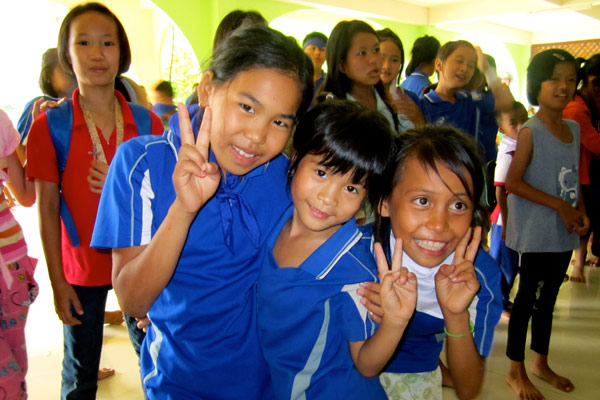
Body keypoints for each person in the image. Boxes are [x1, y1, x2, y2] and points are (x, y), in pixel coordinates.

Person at [90, 25, 314, 398]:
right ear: (208, 87)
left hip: (269, 383)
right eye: (247, 107)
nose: (258, 135)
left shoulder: (286, 178)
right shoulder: (142, 163)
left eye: (279, 122)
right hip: (178, 382)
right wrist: (184, 208)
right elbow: (132, 300)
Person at [26, 3, 163, 398]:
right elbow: (47, 211)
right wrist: (57, 281)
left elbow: (165, 202)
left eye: (108, 43)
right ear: (66, 54)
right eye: (83, 42)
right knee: (81, 374)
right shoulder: (49, 127)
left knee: (154, 359)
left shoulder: (147, 123)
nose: (97, 53)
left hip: (139, 262)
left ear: (122, 52)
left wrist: (121, 190)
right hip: (80, 269)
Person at [256, 99, 415, 399]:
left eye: (352, 188)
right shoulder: (275, 219)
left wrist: (395, 322)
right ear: (296, 159)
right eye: (321, 173)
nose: (329, 198)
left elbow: (366, 365)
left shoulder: (355, 269)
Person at [365, 125, 502, 399]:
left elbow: (468, 388)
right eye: (423, 200)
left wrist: (456, 315)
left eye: (458, 206)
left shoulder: (478, 277)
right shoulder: (355, 253)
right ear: (384, 203)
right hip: (345, 369)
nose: (439, 225)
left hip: (417, 372)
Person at [505, 49, 588, 400]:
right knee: (526, 299)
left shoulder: (573, 128)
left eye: (571, 79)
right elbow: (513, 183)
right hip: (537, 231)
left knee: (549, 299)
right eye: (555, 78)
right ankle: (515, 369)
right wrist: (559, 207)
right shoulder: (531, 131)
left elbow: (573, 179)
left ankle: (540, 361)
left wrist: (579, 210)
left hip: (561, 231)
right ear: (537, 84)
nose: (564, 86)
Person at [0, 110, 37, 398]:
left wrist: (37, 135)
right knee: (8, 383)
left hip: (11, 265)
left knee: (15, 372)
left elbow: (25, 194)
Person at [419, 40, 514, 152]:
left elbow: (506, 101)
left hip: (469, 168)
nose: (464, 69)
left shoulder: (472, 99)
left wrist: (487, 68)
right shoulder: (423, 105)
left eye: (471, 66)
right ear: (439, 64)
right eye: (459, 61)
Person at [320, 20, 398, 132]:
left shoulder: (389, 100)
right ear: (341, 65)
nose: (374, 59)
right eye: (362, 53)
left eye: (376, 50)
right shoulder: (333, 112)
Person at [563, 54, 600, 282]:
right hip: (577, 174)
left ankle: (579, 261)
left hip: (587, 171)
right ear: (593, 82)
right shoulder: (575, 109)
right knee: (580, 220)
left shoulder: (589, 102)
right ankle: (575, 266)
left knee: (586, 218)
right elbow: (594, 143)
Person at [489, 101, 528, 315]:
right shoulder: (507, 153)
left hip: (516, 218)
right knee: (504, 265)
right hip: (504, 220)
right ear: (502, 129)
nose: (521, 125)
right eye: (514, 123)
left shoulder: (522, 147)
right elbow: (499, 191)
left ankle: (503, 299)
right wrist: (506, 225)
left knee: (511, 264)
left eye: (524, 119)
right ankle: (499, 303)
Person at [377, 28, 424, 131]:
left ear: (400, 64)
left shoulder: (411, 98)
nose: (387, 66)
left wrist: (418, 118)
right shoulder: (363, 97)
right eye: (382, 57)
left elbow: (423, 135)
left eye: (394, 60)